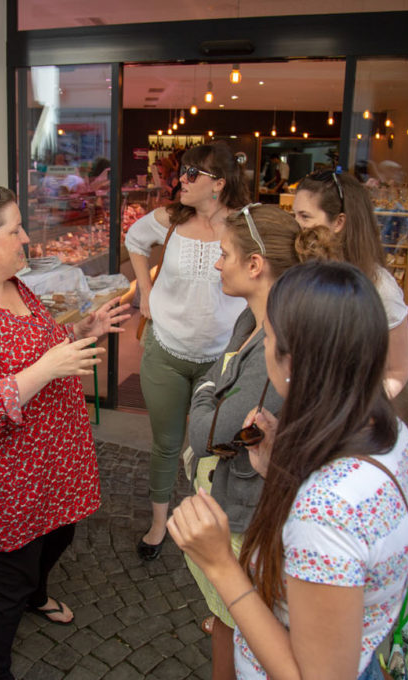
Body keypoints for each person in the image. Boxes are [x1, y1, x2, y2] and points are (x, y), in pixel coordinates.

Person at [0, 183, 130, 680]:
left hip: (52, 464)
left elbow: (37, 346)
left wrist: (82, 332)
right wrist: (47, 368)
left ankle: (36, 592)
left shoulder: (15, 284)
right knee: (4, 585)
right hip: (6, 482)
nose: (27, 237)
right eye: (15, 229)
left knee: (60, 536)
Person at [169, 260, 408, 680]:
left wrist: (220, 564)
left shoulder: (325, 511)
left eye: (267, 337)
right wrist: (281, 471)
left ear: (292, 361)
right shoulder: (387, 430)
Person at [185, 205, 339, 679]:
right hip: (236, 493)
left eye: (225, 253)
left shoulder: (276, 339)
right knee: (230, 621)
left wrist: (206, 392)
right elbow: (214, 388)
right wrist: (211, 390)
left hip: (245, 509)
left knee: (236, 622)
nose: (216, 263)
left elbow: (204, 432)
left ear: (255, 265)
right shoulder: (248, 323)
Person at [125, 141, 249, 561]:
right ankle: (159, 523)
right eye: (183, 172)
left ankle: (207, 523)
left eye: (192, 174)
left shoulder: (245, 227)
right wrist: (145, 288)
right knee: (167, 442)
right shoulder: (169, 220)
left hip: (223, 361)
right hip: (165, 351)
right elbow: (134, 240)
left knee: (215, 445)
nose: (181, 180)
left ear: (219, 184)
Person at [292, 170, 408, 397]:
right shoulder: (300, 272)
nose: (296, 225)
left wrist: (360, 411)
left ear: (339, 222)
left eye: (305, 217)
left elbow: (397, 369)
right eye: (295, 215)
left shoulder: (380, 287)